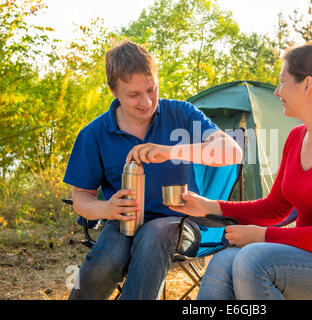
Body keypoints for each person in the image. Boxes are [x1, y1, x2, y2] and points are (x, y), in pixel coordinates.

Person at [170, 43, 312, 300]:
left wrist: (264, 236)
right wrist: (211, 206)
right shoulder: (296, 138)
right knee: (224, 260)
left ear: (307, 85)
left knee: (253, 260)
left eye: (282, 82)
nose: (277, 92)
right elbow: (274, 208)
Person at [63, 40, 242, 300]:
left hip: (181, 224)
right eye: (133, 95)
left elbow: (232, 152)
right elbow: (81, 197)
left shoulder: (180, 113)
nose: (146, 102)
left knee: (155, 233)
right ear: (113, 91)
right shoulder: (94, 134)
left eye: (151, 90)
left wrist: (171, 151)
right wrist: (105, 209)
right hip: (123, 221)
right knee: (106, 259)